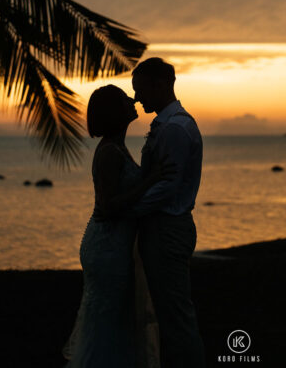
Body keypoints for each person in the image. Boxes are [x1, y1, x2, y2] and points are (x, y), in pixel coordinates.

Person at [63, 85, 173, 368]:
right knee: (106, 320)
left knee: (117, 318)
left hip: (115, 244)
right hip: (107, 246)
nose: (132, 99)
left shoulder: (118, 147)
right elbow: (108, 207)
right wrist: (150, 180)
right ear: (115, 112)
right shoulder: (110, 152)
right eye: (124, 99)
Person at [124, 57, 208, 368]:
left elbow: (166, 189)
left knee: (175, 316)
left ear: (159, 85)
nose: (136, 97)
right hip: (164, 227)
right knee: (168, 312)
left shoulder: (174, 128)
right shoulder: (170, 124)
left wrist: (128, 210)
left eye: (140, 89)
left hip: (167, 228)